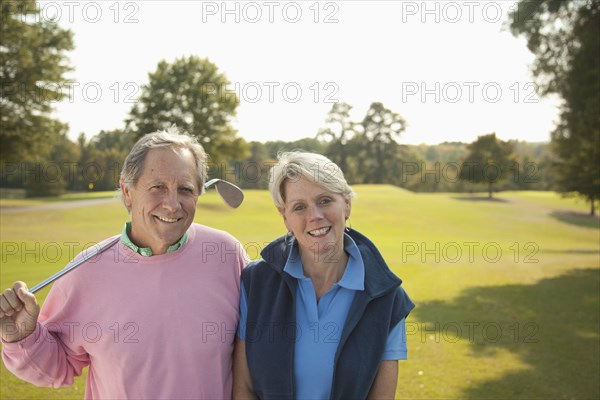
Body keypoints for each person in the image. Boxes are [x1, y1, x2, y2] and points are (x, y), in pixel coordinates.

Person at [0, 128, 249, 399]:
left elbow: (256, 349)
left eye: (185, 189)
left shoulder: (225, 254)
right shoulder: (86, 271)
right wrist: (21, 335)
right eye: (158, 187)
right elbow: (59, 367)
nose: (172, 204)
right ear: (127, 191)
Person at [233, 152, 415, 400]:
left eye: (325, 200)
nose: (314, 216)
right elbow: (244, 388)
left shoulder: (387, 297)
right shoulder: (255, 283)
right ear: (285, 217)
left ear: (347, 204)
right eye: (299, 207)